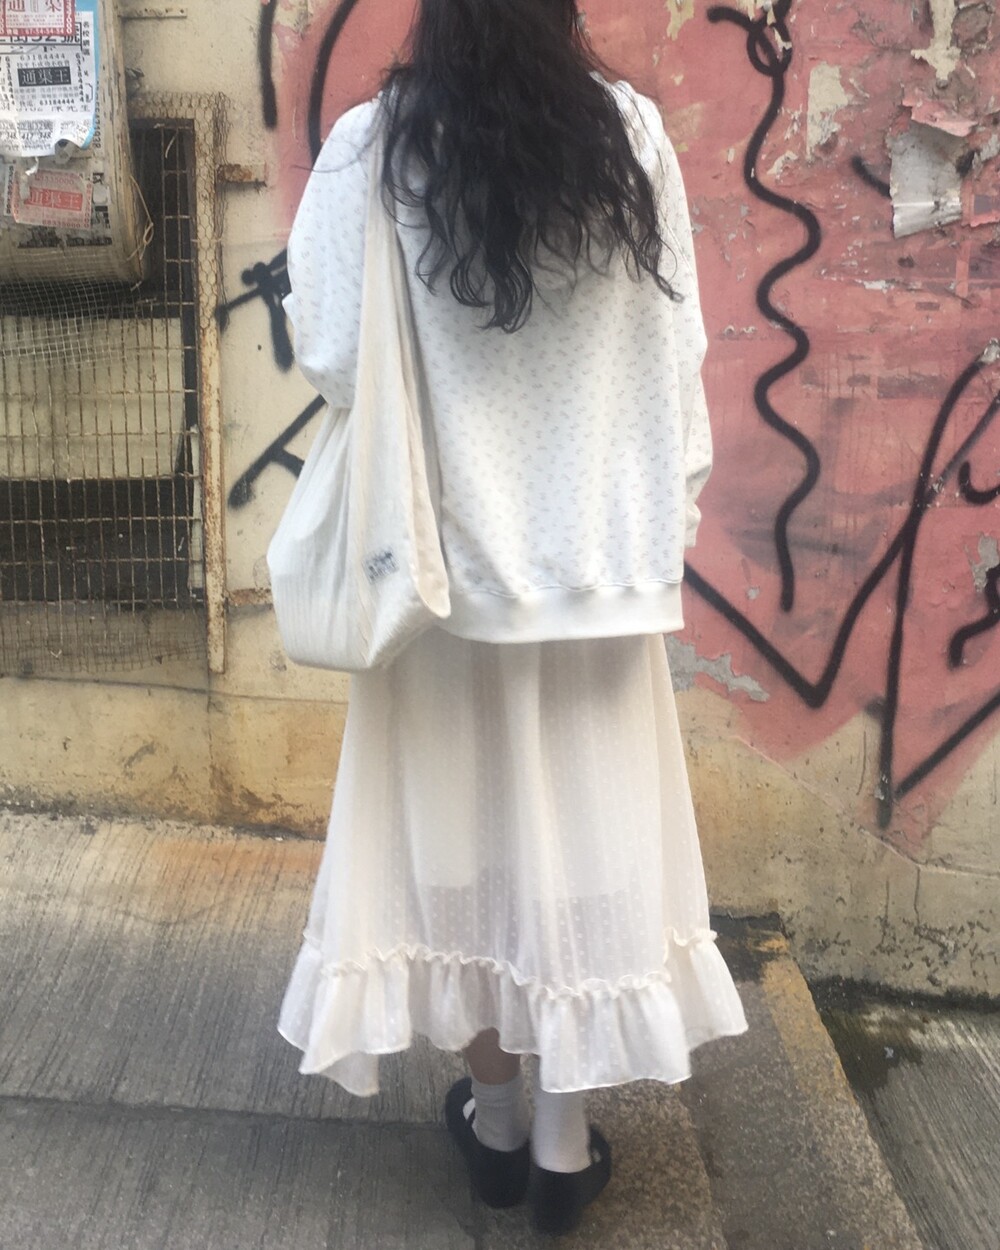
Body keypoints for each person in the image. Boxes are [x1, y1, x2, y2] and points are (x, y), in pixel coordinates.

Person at [276, 0, 748, 1235]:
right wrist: (663, 525)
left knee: (458, 865)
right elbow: (679, 353)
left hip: (436, 581)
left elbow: (330, 352)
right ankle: (559, 1145)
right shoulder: (630, 134)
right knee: (589, 862)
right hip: (596, 571)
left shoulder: (374, 145)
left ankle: (491, 1122)